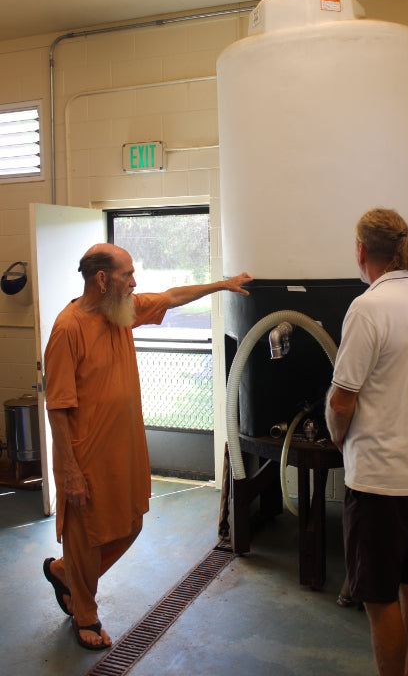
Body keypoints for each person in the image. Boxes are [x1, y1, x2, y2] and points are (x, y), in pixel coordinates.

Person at [42, 242, 253, 650]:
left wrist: (223, 284)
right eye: (127, 275)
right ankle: (85, 613)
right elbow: (58, 407)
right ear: (102, 279)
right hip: (84, 456)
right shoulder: (67, 328)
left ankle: (66, 573)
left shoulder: (120, 311)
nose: (134, 282)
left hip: (125, 450)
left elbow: (173, 297)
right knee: (85, 536)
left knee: (132, 522)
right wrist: (69, 471)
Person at [325, 208, 408, 676]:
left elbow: (341, 402)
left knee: (377, 598)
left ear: (361, 252)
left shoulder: (368, 308)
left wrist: (339, 442)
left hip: (379, 481)